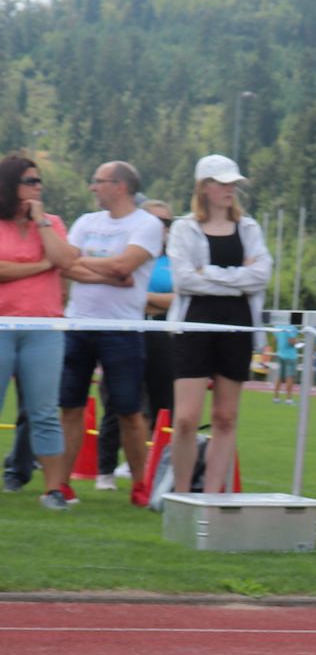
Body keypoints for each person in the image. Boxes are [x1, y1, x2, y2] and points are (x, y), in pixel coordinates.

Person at [164, 156, 272, 504]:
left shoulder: (250, 228)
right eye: (222, 183)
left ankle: (211, 497)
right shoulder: (183, 228)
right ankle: (180, 495)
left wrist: (207, 274)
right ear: (204, 187)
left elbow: (261, 275)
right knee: (186, 418)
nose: (230, 189)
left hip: (237, 325)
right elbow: (183, 279)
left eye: (232, 184)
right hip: (194, 324)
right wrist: (236, 277)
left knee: (226, 417)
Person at [57, 161, 165, 498]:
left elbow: (124, 265)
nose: (92, 187)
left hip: (122, 330)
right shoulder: (86, 221)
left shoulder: (147, 224)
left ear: (119, 186)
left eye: (98, 181)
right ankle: (61, 484)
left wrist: (85, 260)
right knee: (70, 407)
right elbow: (64, 263)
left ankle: (140, 486)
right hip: (77, 325)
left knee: (129, 411)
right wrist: (110, 272)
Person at [0, 155, 78, 508]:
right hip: (2, 326)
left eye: (39, 181)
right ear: (10, 185)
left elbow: (64, 259)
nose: (37, 187)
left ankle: (53, 490)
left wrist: (42, 224)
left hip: (44, 328)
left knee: (44, 412)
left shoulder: (52, 223)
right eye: (30, 181)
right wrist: (42, 265)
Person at [96, 198, 177, 489]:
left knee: (165, 408)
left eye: (167, 222)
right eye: (156, 221)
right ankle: (105, 471)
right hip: (126, 333)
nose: (162, 228)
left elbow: (179, 300)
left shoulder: (175, 260)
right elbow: (117, 291)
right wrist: (151, 302)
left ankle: (157, 470)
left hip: (164, 338)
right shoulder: (127, 253)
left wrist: (142, 300)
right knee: (120, 404)